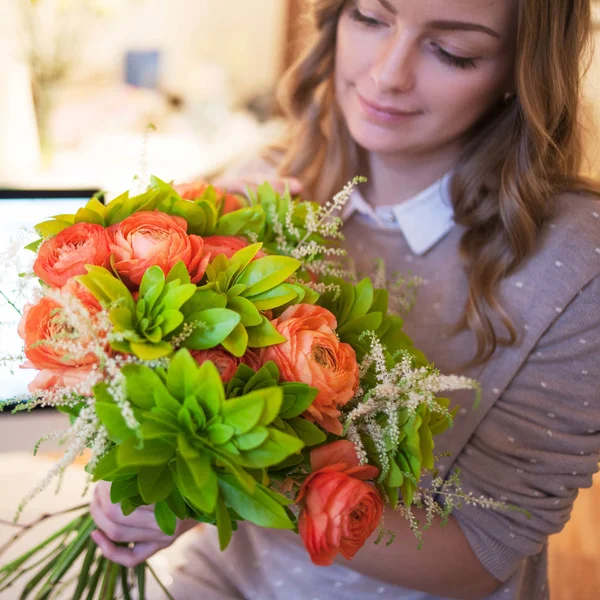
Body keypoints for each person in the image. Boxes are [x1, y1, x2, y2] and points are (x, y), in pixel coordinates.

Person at [90, 1, 600, 598]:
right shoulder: (265, 185)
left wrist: (225, 482)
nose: (387, 73)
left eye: (453, 52)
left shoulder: (572, 270)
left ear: (523, 70)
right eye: (370, 18)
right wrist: (144, 474)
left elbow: (481, 555)